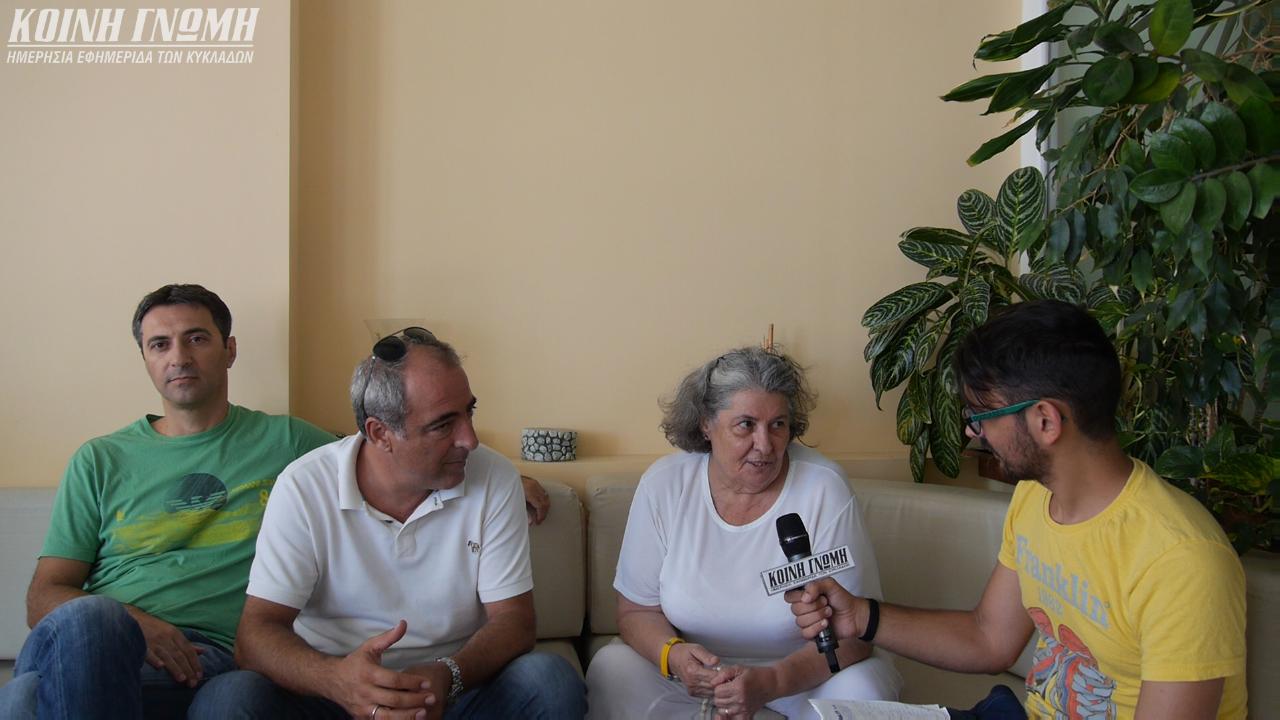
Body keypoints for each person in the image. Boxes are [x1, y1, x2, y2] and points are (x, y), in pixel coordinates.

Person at [786, 300, 1247, 719]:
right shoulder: (1036, 497)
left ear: (1045, 420)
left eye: (980, 415)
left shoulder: (1181, 559)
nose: (973, 432)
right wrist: (860, 617)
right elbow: (989, 638)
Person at [190, 327, 585, 719]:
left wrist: (448, 675)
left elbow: (515, 622)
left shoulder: (494, 477)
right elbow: (256, 636)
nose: (470, 439)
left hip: (453, 691)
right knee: (228, 699)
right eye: (443, 424)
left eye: (469, 412)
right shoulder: (304, 486)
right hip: (333, 696)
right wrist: (339, 681)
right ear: (380, 433)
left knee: (549, 682)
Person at [0, 284, 339, 719]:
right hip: (94, 648)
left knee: (28, 698)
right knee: (92, 621)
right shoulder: (100, 459)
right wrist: (136, 625)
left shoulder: (289, 442)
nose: (179, 357)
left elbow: (381, 465)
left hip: (208, 656)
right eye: (160, 344)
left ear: (230, 350)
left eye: (196, 338)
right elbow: (43, 596)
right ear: (145, 359)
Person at [586, 346, 901, 719]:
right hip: (698, 682)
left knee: (863, 690)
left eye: (778, 425)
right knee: (611, 668)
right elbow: (637, 610)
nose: (765, 446)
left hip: (803, 677)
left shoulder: (823, 487)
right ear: (706, 424)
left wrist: (772, 681)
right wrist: (675, 656)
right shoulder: (665, 484)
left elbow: (856, 635)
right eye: (746, 425)